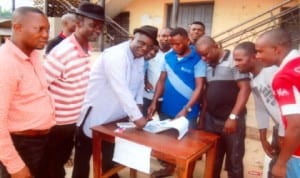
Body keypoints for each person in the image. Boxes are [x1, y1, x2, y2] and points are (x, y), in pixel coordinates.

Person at [72, 25, 158, 178]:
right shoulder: (116, 55)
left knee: (109, 152)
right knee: (83, 156)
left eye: (149, 46)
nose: (144, 48)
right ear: (132, 38)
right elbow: (121, 89)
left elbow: (138, 85)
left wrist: (138, 107)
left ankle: (109, 175)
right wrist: (137, 117)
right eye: (141, 43)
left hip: (116, 116)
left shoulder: (138, 57)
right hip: (96, 113)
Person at [39, 2, 105, 178]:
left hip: (72, 121)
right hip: (56, 124)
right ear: (79, 23)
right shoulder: (62, 51)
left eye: (100, 27)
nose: (97, 31)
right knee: (51, 167)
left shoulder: (87, 49)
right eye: (93, 25)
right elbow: (40, 86)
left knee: (58, 163)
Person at [0, 6, 55, 178]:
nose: (46, 35)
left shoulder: (32, 55)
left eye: (47, 29)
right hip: (21, 145)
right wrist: (15, 166)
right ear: (17, 27)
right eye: (39, 29)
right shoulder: (6, 63)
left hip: (43, 142)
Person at [148, 27, 207, 177]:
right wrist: (154, 102)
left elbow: (200, 87)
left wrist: (186, 109)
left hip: (188, 111)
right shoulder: (168, 57)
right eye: (173, 44)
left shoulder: (197, 58)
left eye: (179, 44)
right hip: (167, 108)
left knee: (187, 146)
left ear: (187, 40)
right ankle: (168, 169)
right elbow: (161, 80)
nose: (175, 47)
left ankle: (187, 174)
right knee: (168, 142)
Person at [195, 36, 251, 178]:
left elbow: (245, 89)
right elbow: (207, 92)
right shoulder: (207, 64)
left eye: (206, 54)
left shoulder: (234, 60)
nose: (204, 58)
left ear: (216, 46)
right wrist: (202, 118)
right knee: (213, 158)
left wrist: (233, 117)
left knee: (234, 161)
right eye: (201, 56)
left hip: (232, 121)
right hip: (211, 120)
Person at [233, 41, 285, 178]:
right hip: (280, 129)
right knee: (273, 170)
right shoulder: (252, 78)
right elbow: (261, 107)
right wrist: (262, 138)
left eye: (239, 59)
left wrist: (282, 134)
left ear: (253, 57)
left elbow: (288, 110)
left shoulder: (273, 73)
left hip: (291, 130)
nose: (235, 64)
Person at [255, 28, 300, 178]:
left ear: (276, 49)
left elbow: (296, 125)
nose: (257, 56)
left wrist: (281, 163)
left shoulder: (283, 77)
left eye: (260, 51)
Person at [142, 27, 172, 116]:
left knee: (165, 125)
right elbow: (143, 67)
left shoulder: (174, 54)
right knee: (143, 120)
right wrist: (145, 81)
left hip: (166, 97)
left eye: (167, 36)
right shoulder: (151, 51)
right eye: (161, 36)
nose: (163, 39)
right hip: (147, 95)